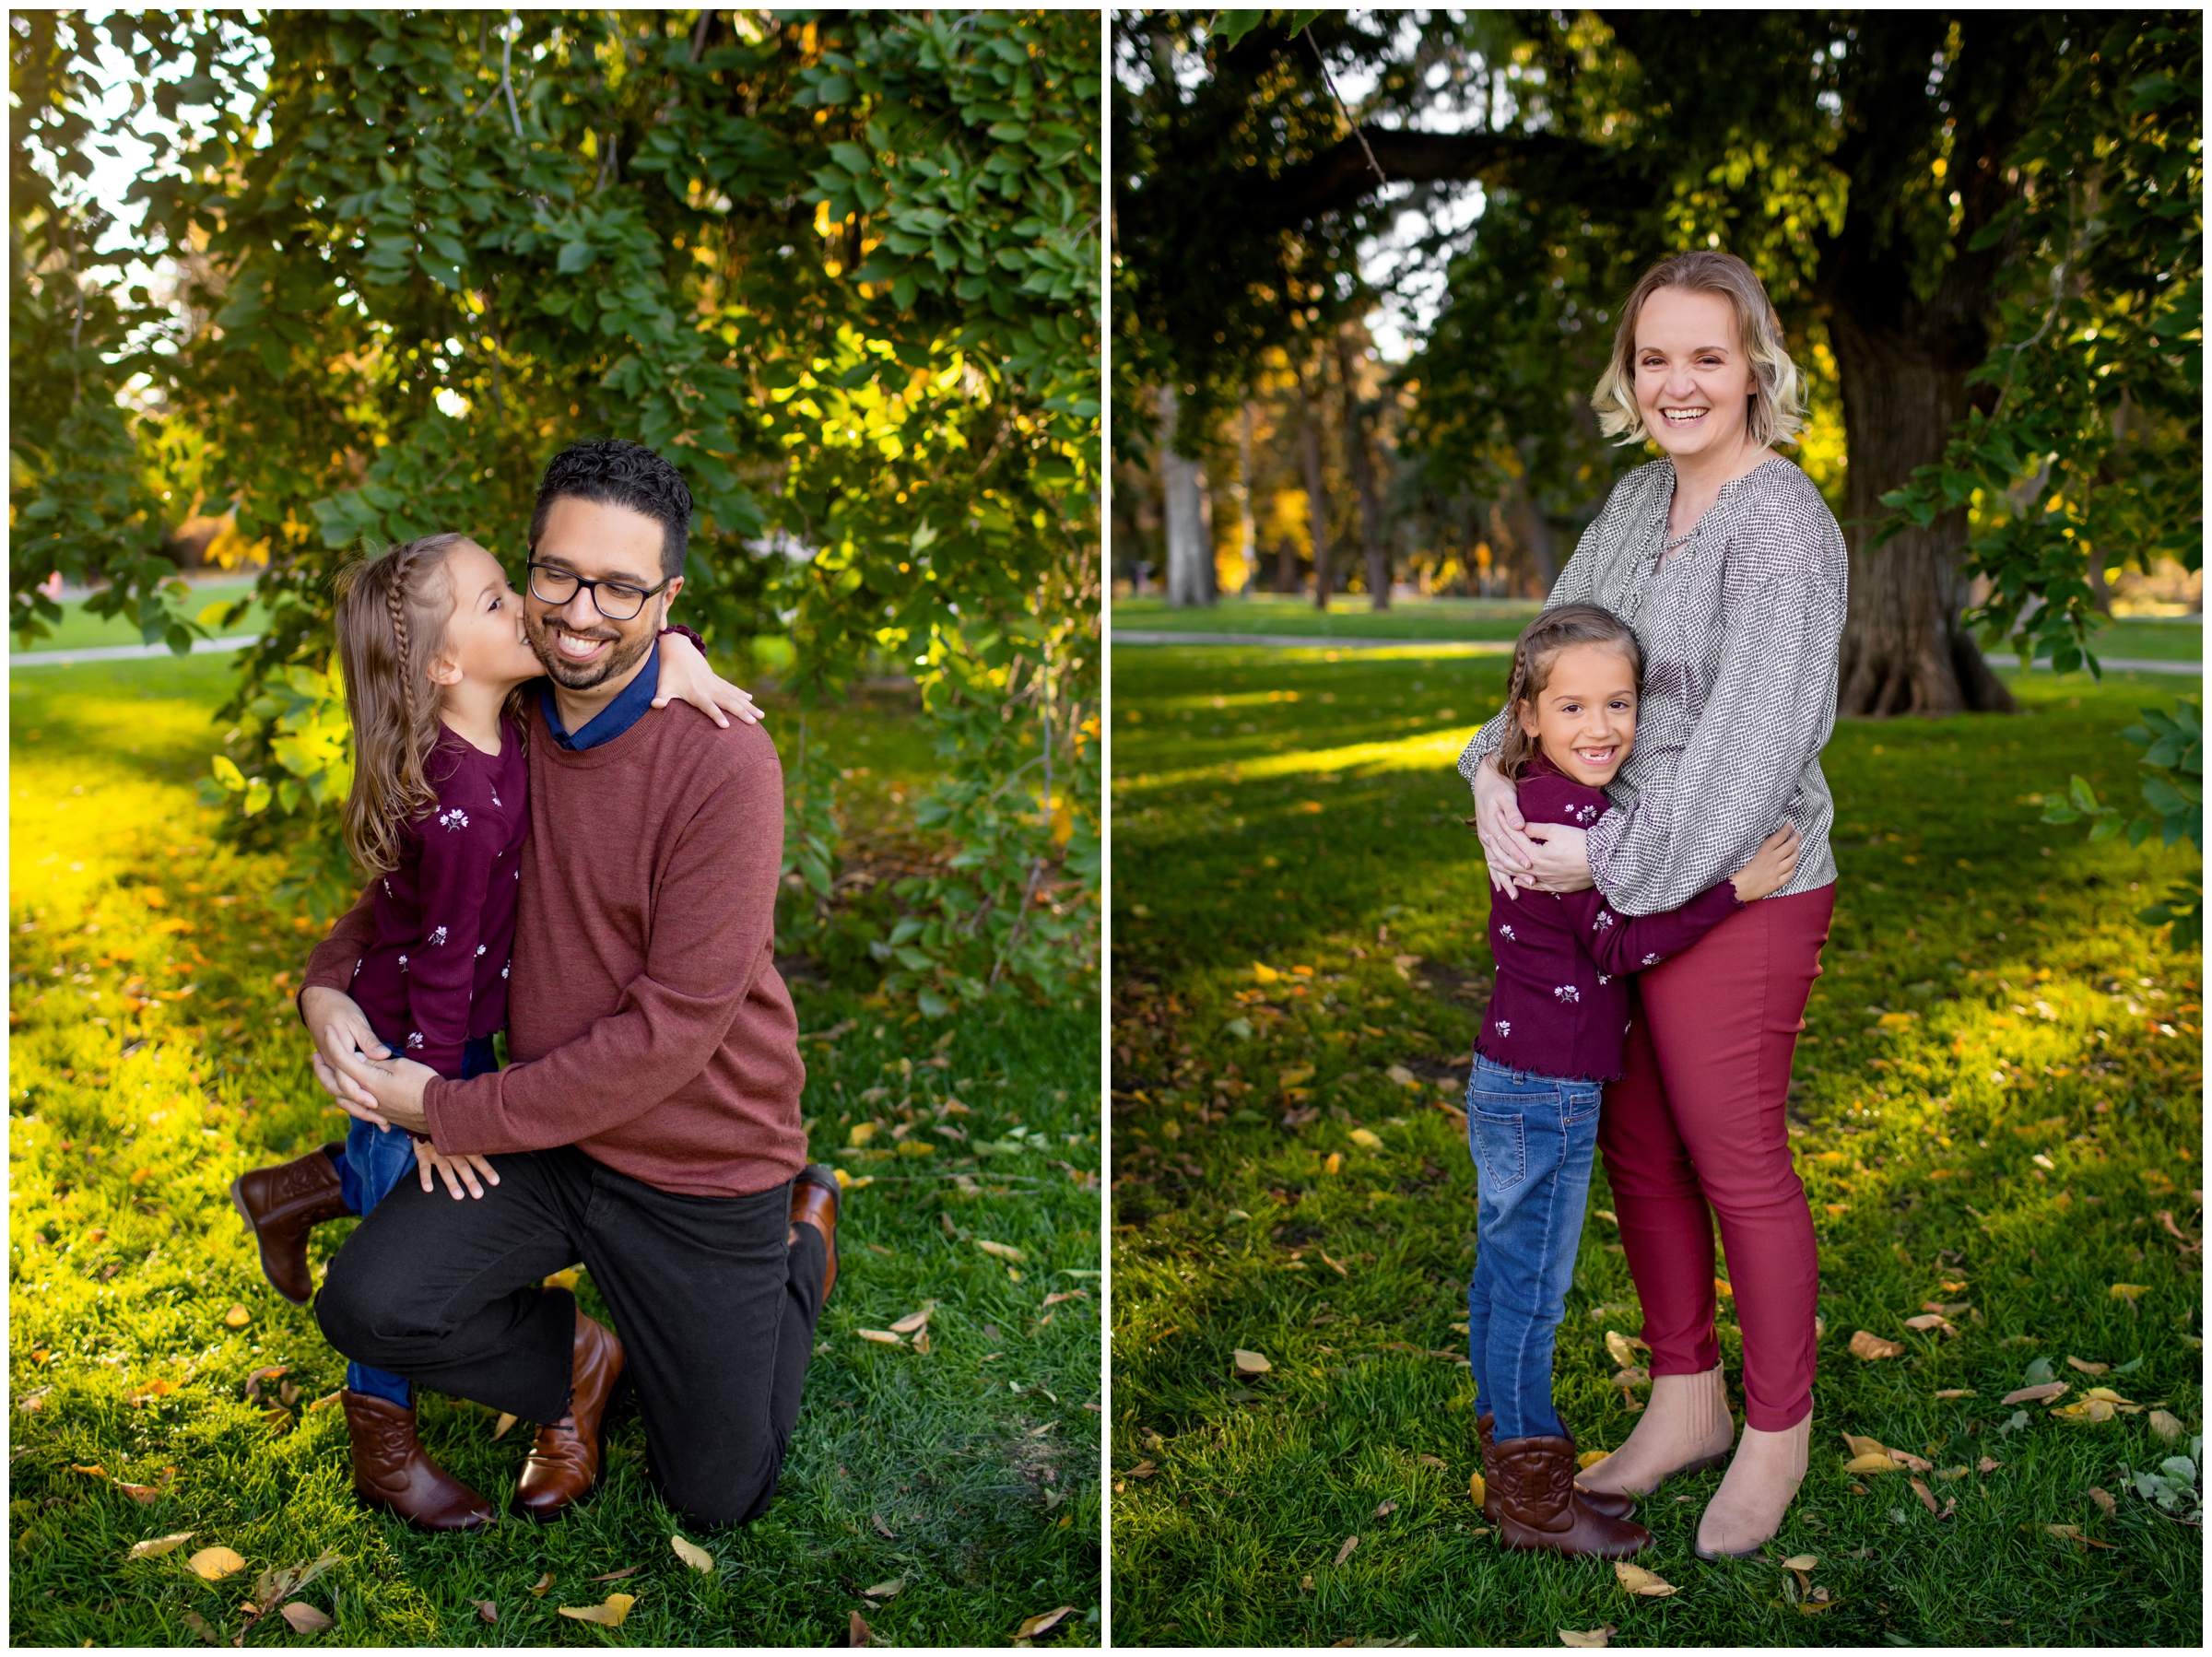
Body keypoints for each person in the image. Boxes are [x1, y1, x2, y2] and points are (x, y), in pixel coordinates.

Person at [271, 440, 834, 1531]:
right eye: (559, 575)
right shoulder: (505, 711)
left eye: (623, 587)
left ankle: (801, 1240)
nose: (583, 611)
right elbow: (410, 891)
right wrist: (325, 988)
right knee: (371, 1304)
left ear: (666, 601)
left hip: (699, 1155)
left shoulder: (724, 763)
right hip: (551, 1134)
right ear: (527, 571)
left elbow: (668, 1035)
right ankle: (580, 1359)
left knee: (716, 1493)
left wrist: (439, 1108)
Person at [1459, 250, 1847, 1559]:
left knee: (1732, 1151)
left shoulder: (1783, 522)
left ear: (1756, 371)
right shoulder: (1634, 503)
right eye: (1656, 357)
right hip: (1610, 879)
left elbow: (1748, 748)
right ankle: (1686, 1397)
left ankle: (1777, 1430)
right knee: (1637, 1149)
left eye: (1708, 356)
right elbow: (1549, 659)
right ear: (1631, 375)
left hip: (1738, 882)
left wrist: (1607, 870)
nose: (1680, 382)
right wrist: (1489, 784)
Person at [1464, 602, 1801, 1559]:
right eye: (1573, 708)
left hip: (1512, 1074)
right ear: (1526, 716)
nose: (1601, 727)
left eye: (1620, 703)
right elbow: (1617, 943)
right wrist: (1731, 891)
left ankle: (1511, 1475)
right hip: (1547, 1087)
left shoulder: (1539, 791)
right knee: (1528, 1292)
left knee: (1502, 1277)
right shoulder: (1564, 816)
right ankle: (1536, 1499)